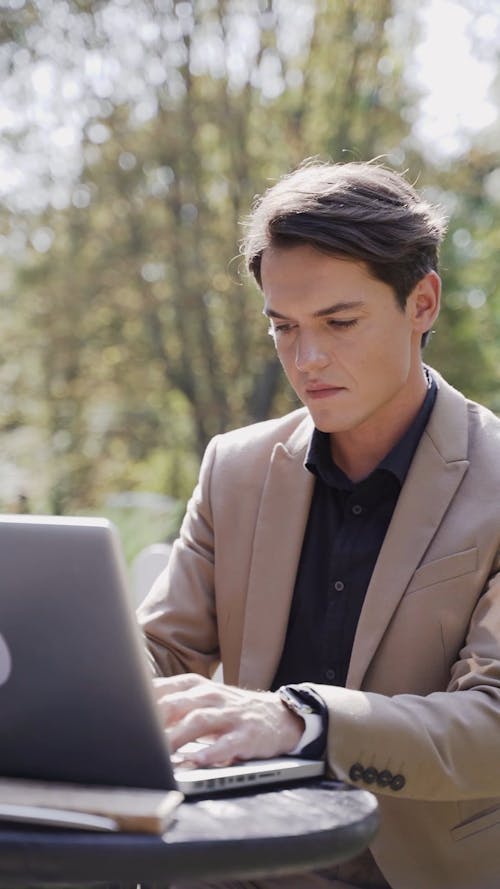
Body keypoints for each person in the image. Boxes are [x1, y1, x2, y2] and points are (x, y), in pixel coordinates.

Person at [137, 160, 500, 889]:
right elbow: (157, 655)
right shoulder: (234, 467)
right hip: (229, 862)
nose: (307, 359)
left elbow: (492, 721)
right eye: (284, 327)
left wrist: (300, 718)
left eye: (339, 322)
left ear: (422, 302)